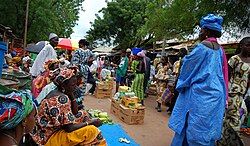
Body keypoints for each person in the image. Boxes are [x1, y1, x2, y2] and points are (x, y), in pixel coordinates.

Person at [168, 14, 228, 146]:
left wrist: (181, 84)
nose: (200, 33)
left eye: (201, 30)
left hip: (199, 96)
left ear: (206, 31)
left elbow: (187, 69)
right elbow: (223, 74)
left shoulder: (202, 48)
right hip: (216, 96)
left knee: (191, 127)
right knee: (208, 127)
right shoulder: (221, 51)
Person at [31, 67, 106, 146]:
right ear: (64, 85)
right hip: (47, 139)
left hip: (44, 133)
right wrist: (90, 123)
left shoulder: (56, 92)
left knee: (83, 114)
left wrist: (71, 95)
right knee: (92, 130)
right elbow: (69, 128)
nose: (76, 87)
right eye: (73, 85)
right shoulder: (61, 99)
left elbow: (75, 112)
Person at [218, 37, 250, 146]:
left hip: (242, 95)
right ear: (241, 46)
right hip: (232, 93)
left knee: (230, 119)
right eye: (247, 45)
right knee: (234, 119)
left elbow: (248, 80)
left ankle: (222, 140)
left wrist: (245, 94)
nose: (249, 48)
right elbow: (226, 77)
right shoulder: (234, 59)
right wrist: (225, 93)